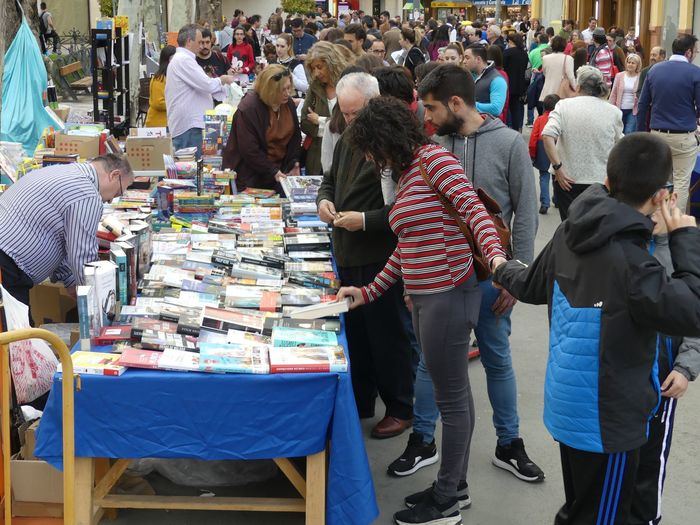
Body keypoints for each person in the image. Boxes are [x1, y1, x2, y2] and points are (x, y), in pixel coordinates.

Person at [493, 133, 700, 525]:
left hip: (568, 406)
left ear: (608, 181)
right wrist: (684, 237)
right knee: (602, 516)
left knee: (581, 506)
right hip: (608, 422)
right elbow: (692, 312)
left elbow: (531, 285)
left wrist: (499, 267)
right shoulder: (635, 264)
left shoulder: (571, 232)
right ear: (661, 195)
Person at [338, 96, 507, 525]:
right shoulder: (410, 171)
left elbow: (473, 211)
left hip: (449, 294)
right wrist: (369, 291)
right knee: (454, 397)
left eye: (372, 148)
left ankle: (447, 499)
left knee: (452, 401)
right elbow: (408, 245)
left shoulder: (434, 162)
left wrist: (500, 261)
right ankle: (455, 486)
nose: (372, 158)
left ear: (386, 138)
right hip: (430, 296)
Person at [386, 64, 542, 487]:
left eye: (433, 108)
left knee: (496, 357)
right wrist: (411, 281)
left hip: (491, 278)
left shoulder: (509, 143)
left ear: (456, 103)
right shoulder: (432, 147)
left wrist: (516, 274)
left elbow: (526, 213)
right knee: (429, 364)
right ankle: (423, 439)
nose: (428, 118)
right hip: (437, 283)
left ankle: (509, 443)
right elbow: (412, 222)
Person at [317, 73, 415, 440]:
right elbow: (329, 179)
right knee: (357, 335)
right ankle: (361, 401)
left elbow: (406, 209)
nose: (349, 121)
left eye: (356, 113)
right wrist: (324, 201)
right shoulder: (347, 138)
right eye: (345, 114)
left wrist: (364, 221)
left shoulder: (393, 146)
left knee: (388, 336)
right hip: (348, 250)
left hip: (379, 254)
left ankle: (401, 406)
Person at [625, 196, 700, 525]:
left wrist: (685, 368)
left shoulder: (683, 251)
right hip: (621, 377)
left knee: (651, 460)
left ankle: (647, 517)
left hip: (662, 376)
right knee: (619, 457)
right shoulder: (623, 243)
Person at [0, 154, 134, 307]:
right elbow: (83, 256)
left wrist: (70, 279)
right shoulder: (87, 194)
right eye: (118, 193)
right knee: (19, 328)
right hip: (7, 265)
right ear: (114, 175)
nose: (110, 200)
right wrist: (99, 304)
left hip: (7, 261)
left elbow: (62, 239)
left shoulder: (66, 172)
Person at [542, 66, 623, 220]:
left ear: (578, 86)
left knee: (569, 228)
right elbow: (620, 144)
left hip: (567, 179)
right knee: (594, 229)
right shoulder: (613, 112)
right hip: (599, 181)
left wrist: (558, 167)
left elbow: (547, 135)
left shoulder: (563, 106)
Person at [636, 34, 700, 212]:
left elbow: (642, 105)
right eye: (695, 50)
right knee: (681, 182)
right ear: (688, 52)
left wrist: (642, 133)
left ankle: (656, 221)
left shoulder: (654, 70)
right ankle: (674, 226)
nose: (695, 53)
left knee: (659, 180)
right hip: (683, 136)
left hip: (657, 134)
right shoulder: (695, 73)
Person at [222, 65, 301, 191]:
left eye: (288, 88)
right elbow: (249, 148)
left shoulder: (288, 104)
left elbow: (295, 137)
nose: (287, 93)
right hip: (252, 175)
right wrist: (272, 170)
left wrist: (294, 162)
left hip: (279, 172)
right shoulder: (249, 108)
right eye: (282, 90)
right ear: (270, 90)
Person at [166, 25, 234, 157]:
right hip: (189, 126)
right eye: (199, 42)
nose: (201, 46)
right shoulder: (183, 59)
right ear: (189, 42)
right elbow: (206, 84)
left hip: (191, 124)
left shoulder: (184, 59)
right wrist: (222, 80)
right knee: (191, 167)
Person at [301, 42, 352, 175]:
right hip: (318, 159)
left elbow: (349, 126)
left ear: (331, 63)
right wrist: (332, 128)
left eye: (319, 67)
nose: (316, 73)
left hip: (345, 157)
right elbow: (305, 123)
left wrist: (321, 121)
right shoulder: (314, 87)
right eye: (313, 69)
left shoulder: (348, 84)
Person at [529, 94, 560, 214]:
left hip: (543, 148)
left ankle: (545, 203)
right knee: (556, 175)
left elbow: (533, 139)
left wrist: (532, 154)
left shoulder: (540, 119)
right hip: (556, 147)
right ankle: (557, 199)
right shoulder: (559, 119)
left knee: (544, 176)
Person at [465, 44, 507, 119]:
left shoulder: (497, 79)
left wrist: (470, 105)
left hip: (488, 127)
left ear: (478, 59)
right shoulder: (469, 75)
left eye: (467, 58)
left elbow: (496, 108)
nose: (464, 61)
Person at [609, 53, 641, 135]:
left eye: (633, 63)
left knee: (628, 132)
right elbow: (614, 93)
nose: (630, 64)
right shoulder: (619, 76)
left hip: (633, 110)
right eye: (629, 62)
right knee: (618, 132)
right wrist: (610, 107)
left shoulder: (640, 77)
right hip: (620, 109)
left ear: (637, 65)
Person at [145, 45, 176, 128]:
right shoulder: (160, 78)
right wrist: (177, 105)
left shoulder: (171, 76)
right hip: (158, 124)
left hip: (168, 123)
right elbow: (158, 103)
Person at [503, 33, 529, 132]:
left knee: (507, 108)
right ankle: (517, 128)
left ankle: (508, 129)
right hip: (520, 84)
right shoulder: (524, 53)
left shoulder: (507, 53)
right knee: (517, 108)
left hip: (508, 84)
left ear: (510, 41)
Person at [540, 35, 575, 102]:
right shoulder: (568, 59)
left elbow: (545, 73)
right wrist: (575, 89)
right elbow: (571, 77)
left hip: (547, 92)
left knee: (547, 112)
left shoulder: (545, 58)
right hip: (561, 93)